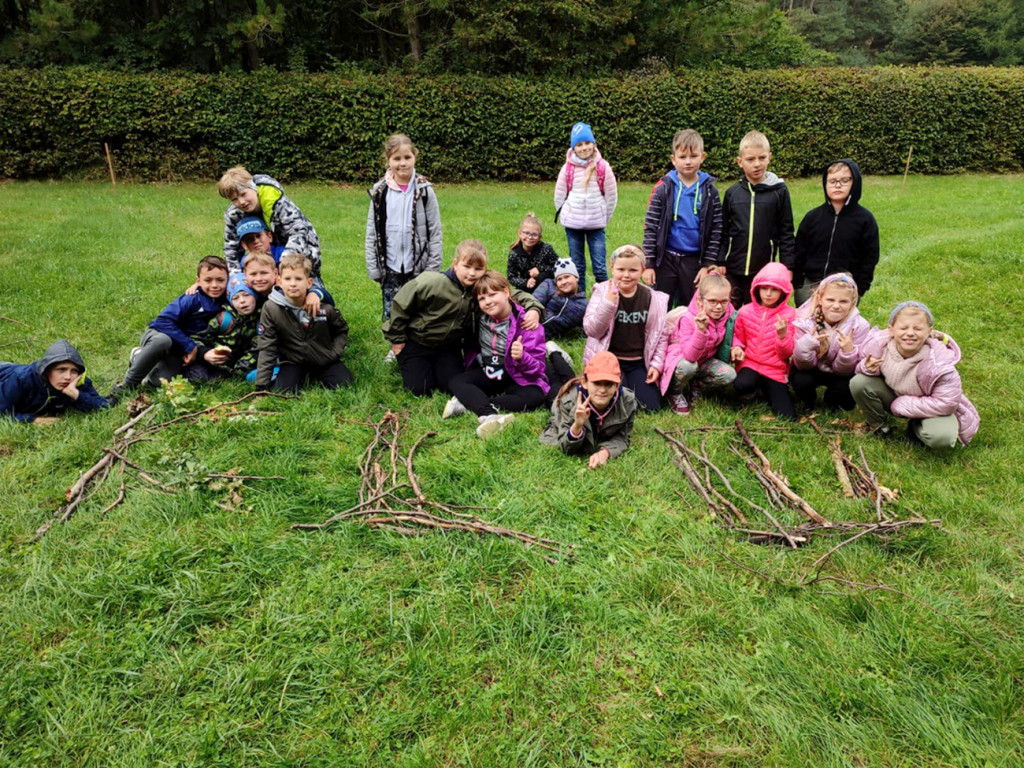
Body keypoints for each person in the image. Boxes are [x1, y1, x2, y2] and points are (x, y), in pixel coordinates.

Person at [383, 240, 543, 398]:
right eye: (466, 267)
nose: (472, 273)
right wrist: (397, 341)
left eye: (478, 269)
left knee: (451, 386)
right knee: (419, 389)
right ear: (455, 263)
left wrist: (534, 308)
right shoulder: (432, 283)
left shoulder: (477, 287)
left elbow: (512, 293)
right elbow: (400, 305)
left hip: (449, 346)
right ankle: (409, 362)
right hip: (418, 341)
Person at [851, 301, 979, 449]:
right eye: (903, 328)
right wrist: (867, 368)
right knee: (859, 382)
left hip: (929, 405)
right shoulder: (881, 346)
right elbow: (861, 366)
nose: (910, 333)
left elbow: (947, 403)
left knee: (942, 437)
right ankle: (879, 427)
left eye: (918, 328)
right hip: (895, 394)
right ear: (891, 330)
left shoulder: (939, 362)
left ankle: (915, 429)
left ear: (929, 331)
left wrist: (904, 404)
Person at [108, 255, 230, 402]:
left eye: (220, 280)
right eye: (208, 280)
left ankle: (143, 359)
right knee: (162, 341)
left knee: (160, 381)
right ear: (198, 281)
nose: (215, 285)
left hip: (179, 348)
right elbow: (163, 321)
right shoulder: (190, 298)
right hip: (160, 334)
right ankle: (127, 385)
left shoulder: (227, 299)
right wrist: (189, 346)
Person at [442, 271, 549, 438]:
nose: (488, 302)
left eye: (492, 295)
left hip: (515, 373)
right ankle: (488, 413)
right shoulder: (478, 317)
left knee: (535, 397)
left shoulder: (527, 322)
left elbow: (538, 368)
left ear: (506, 292)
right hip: (490, 371)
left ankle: (468, 403)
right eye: (482, 298)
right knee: (456, 381)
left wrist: (522, 357)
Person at [641, 128, 723, 308]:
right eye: (682, 157)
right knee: (660, 305)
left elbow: (716, 230)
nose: (688, 162)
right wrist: (649, 263)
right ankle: (660, 336)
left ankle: (685, 336)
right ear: (673, 159)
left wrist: (707, 265)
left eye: (693, 156)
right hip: (666, 259)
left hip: (694, 260)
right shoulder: (664, 189)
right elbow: (651, 227)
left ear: (702, 157)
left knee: (690, 307)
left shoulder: (710, 191)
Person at [218, 166, 324, 305]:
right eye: (234, 199)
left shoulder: (278, 202)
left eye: (244, 194)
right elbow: (231, 248)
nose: (241, 202)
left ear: (253, 188)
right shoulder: (234, 215)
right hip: (265, 253)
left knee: (295, 281)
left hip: (299, 250)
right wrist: (237, 277)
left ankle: (315, 295)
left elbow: (299, 232)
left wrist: (281, 267)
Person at [365, 134, 443, 319]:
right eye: (396, 158)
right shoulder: (380, 192)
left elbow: (435, 231)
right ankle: (396, 347)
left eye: (407, 157)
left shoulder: (424, 191)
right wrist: (374, 267)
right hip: (389, 267)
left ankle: (415, 347)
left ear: (415, 157)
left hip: (418, 267)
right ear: (388, 161)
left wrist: (432, 268)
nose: (403, 163)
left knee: (418, 312)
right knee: (392, 312)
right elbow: (372, 231)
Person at [582, 244, 668, 411]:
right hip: (610, 358)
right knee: (614, 402)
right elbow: (592, 330)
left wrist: (656, 365)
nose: (626, 275)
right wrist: (608, 303)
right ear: (612, 267)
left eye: (633, 270)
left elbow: (662, 335)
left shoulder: (653, 298)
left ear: (642, 270)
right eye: (621, 269)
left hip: (638, 361)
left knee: (651, 406)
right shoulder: (601, 292)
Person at [716, 131, 796, 307]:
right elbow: (723, 230)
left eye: (762, 158)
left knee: (757, 312)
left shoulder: (779, 191)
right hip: (733, 268)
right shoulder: (733, 194)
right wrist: (720, 260)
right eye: (750, 159)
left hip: (763, 268)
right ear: (740, 162)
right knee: (731, 313)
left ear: (770, 157)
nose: (757, 164)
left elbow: (786, 231)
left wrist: (787, 266)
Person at [254, 253, 352, 392]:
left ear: (309, 282)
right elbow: (267, 346)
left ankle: (317, 375)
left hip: (324, 360)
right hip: (293, 362)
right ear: (279, 281)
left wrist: (334, 353)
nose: (293, 283)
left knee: (344, 385)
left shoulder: (323, 307)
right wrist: (261, 386)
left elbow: (341, 330)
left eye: (298, 279)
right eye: (287, 279)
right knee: (284, 391)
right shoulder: (271, 308)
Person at [793, 159, 880, 306]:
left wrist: (860, 286)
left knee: (840, 327)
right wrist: (797, 281)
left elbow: (870, 257)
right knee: (806, 326)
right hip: (810, 284)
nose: (838, 185)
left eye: (844, 180)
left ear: (855, 182)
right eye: (832, 181)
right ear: (825, 183)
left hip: (844, 287)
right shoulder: (812, 217)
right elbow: (799, 250)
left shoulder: (865, 220)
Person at [539, 351, 637, 470]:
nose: (602, 390)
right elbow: (566, 447)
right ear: (585, 382)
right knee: (554, 382)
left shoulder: (628, 401)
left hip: (580, 386)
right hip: (557, 398)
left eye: (608, 384)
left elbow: (623, 437)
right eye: (596, 383)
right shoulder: (566, 401)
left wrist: (605, 452)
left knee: (567, 377)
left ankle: (557, 357)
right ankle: (554, 354)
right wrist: (577, 426)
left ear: (617, 385)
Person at [657, 272, 737, 415]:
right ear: (700, 300)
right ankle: (675, 392)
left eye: (724, 301)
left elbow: (735, 332)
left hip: (705, 360)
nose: (719, 307)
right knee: (689, 366)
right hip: (682, 360)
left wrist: (737, 346)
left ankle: (697, 385)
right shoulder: (689, 318)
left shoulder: (728, 316)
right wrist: (701, 331)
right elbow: (689, 355)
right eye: (713, 301)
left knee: (729, 375)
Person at [791, 273, 870, 412]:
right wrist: (806, 345)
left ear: (852, 302)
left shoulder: (860, 326)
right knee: (801, 380)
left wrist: (847, 352)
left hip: (838, 372)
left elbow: (844, 371)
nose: (836, 306)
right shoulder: (805, 320)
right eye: (830, 300)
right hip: (810, 368)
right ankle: (807, 400)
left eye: (843, 301)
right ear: (820, 299)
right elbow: (801, 364)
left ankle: (832, 400)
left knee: (846, 391)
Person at [554, 122, 618, 290]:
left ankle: (604, 300)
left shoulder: (603, 167)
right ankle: (580, 301)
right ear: (573, 148)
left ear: (593, 144)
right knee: (578, 267)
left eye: (587, 143)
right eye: (579, 144)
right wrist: (565, 216)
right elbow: (559, 196)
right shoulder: (567, 169)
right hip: (573, 225)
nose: (584, 148)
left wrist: (604, 217)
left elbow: (611, 196)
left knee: (599, 267)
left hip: (596, 225)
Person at [730, 261, 797, 420]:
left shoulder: (790, 315)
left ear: (783, 292)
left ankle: (768, 388)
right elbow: (738, 336)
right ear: (756, 289)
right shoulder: (745, 311)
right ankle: (754, 388)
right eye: (764, 288)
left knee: (787, 416)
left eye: (774, 289)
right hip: (750, 363)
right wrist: (737, 347)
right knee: (741, 385)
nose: (768, 294)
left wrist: (782, 336)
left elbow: (786, 354)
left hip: (774, 368)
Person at [237, 216, 334, 308]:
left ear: (270, 236)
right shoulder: (245, 263)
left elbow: (308, 279)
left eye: (258, 236)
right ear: (244, 245)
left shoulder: (286, 254)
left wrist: (314, 293)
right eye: (249, 239)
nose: (255, 241)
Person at [1, 340, 109, 423]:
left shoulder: (77, 381)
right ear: (47, 370)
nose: (68, 377)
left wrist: (76, 395)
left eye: (74, 371)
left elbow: (104, 407)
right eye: (61, 370)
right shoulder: (21, 379)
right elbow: (2, 412)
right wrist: (34, 420)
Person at [186, 274, 261, 383]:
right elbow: (197, 338)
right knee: (198, 378)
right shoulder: (224, 319)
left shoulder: (260, 321)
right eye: (235, 298)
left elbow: (256, 349)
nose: (242, 301)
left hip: (238, 362)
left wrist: (237, 371)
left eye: (246, 295)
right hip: (213, 360)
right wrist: (206, 353)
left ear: (255, 296)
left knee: (222, 378)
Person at [532, 258, 588, 339]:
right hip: (527, 322)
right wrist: (534, 311)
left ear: (576, 277)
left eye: (567, 277)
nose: (564, 282)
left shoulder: (584, 305)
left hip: (540, 337)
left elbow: (591, 327)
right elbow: (534, 300)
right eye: (559, 279)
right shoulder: (548, 285)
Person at [506, 213, 559, 293]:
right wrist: (525, 282)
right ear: (520, 233)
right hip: (525, 290)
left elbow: (559, 268)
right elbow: (511, 277)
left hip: (547, 289)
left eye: (534, 235)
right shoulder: (514, 253)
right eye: (526, 233)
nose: (530, 237)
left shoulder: (546, 249)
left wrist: (540, 269)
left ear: (540, 237)